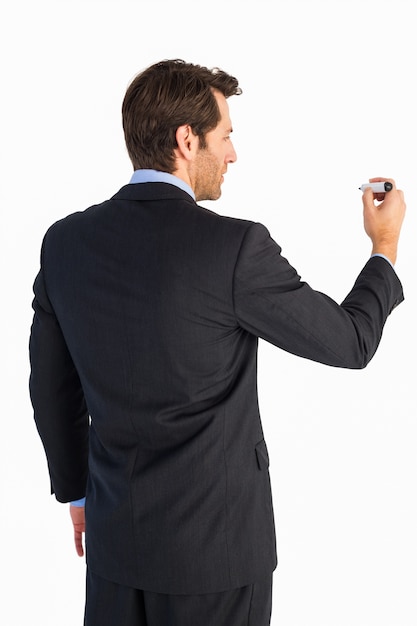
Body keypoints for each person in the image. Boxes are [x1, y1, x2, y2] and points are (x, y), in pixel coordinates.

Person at [29, 59, 406, 626]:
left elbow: (52, 390)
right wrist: (384, 247)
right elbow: (350, 341)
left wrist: (77, 497)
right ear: (187, 140)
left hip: (114, 549)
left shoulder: (64, 244)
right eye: (226, 136)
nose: (233, 154)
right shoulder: (233, 249)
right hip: (216, 564)